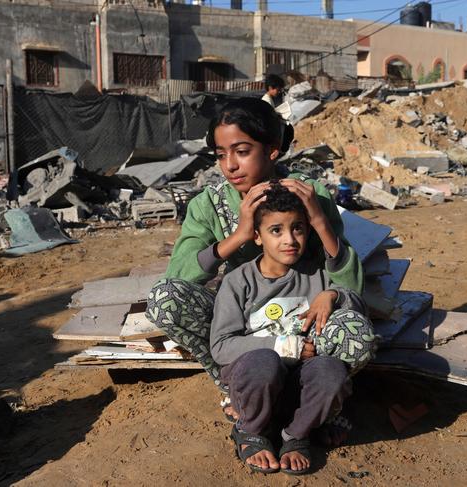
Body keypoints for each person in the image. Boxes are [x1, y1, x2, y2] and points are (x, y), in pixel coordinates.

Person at [145, 97, 364, 432]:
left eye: (242, 151)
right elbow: (179, 275)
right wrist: (239, 236)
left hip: (304, 318)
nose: (230, 165)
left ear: (272, 150)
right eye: (221, 155)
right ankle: (237, 388)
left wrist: (319, 221)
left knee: (357, 332)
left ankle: (313, 392)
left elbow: (349, 282)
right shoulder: (208, 204)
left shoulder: (309, 195)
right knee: (165, 299)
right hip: (241, 320)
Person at [210, 182, 377, 475]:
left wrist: (334, 295)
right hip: (255, 381)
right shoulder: (238, 281)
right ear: (258, 237)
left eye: (298, 228)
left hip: (301, 381)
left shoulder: (316, 275)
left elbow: (358, 309)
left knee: (331, 371)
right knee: (263, 362)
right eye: (276, 230)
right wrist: (284, 346)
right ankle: (251, 430)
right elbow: (222, 346)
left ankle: (296, 434)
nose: (290, 239)